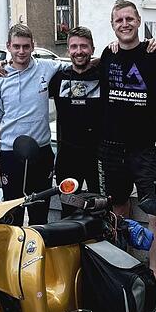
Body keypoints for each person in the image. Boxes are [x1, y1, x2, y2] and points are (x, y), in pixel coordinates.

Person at [97, 0, 156, 290]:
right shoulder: (108, 53)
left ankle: (154, 273)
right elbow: (84, 66)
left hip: (144, 148)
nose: (125, 24)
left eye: (129, 19)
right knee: (117, 210)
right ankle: (122, 271)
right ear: (112, 25)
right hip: (111, 147)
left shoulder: (155, 52)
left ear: (139, 21)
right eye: (119, 20)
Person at [0, 23, 67, 226]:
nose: (21, 51)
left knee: (40, 218)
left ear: (33, 46)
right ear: (8, 46)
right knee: (12, 218)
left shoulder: (46, 67)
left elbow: (79, 62)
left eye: (26, 46)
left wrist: (111, 53)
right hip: (10, 156)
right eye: (16, 46)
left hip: (41, 154)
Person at [48, 26, 102, 205]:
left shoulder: (103, 76)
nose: (79, 51)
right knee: (68, 208)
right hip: (67, 156)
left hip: (98, 156)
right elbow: (29, 68)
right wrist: (5, 64)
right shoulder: (57, 78)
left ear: (92, 49)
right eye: (74, 46)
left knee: (101, 208)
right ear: (68, 50)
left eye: (84, 46)